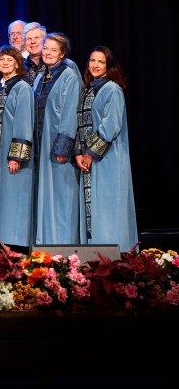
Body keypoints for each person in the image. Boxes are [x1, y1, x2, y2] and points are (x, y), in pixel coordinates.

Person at [74, 46, 138, 253]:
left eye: (101, 62)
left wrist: (89, 154)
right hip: (88, 160)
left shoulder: (112, 89)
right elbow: (80, 125)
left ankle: (114, 260)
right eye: (92, 60)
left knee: (109, 210)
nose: (95, 65)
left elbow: (111, 127)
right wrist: (79, 153)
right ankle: (94, 258)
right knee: (94, 210)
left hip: (108, 159)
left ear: (109, 66)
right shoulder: (87, 90)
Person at [0, 46, 36, 251]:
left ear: (17, 64)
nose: (4, 63)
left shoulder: (22, 88)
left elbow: (23, 122)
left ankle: (15, 244)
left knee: (14, 198)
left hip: (11, 155)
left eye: (9, 60)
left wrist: (17, 156)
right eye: (1, 60)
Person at [33, 32, 83, 247]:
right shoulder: (40, 77)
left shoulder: (69, 76)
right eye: (46, 48)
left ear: (62, 54)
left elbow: (71, 112)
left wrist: (63, 147)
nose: (48, 53)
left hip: (58, 147)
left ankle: (64, 247)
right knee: (46, 198)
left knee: (62, 197)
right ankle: (45, 245)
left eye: (54, 50)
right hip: (41, 145)